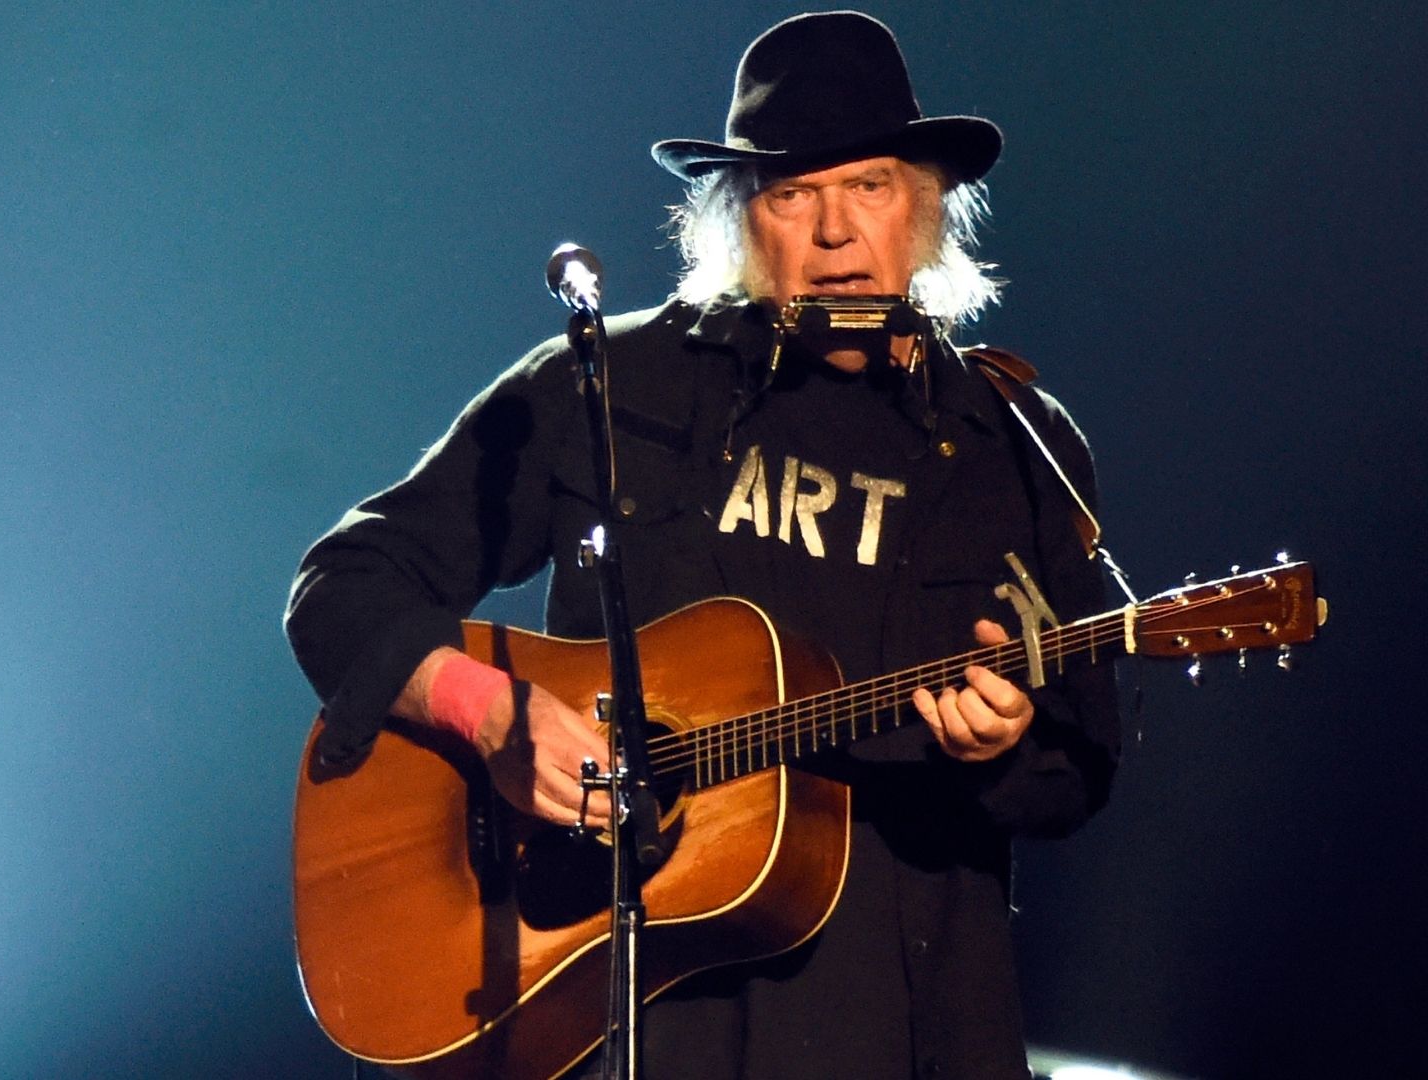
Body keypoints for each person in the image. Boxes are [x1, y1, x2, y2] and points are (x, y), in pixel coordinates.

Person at [286, 11, 1119, 1079]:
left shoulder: (1017, 446)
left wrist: (1002, 751)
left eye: (867, 186)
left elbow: (1083, 767)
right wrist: (491, 715)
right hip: (645, 1021)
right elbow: (343, 588)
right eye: (791, 195)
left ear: (925, 210)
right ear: (739, 218)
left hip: (921, 1028)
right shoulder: (608, 386)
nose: (834, 233)